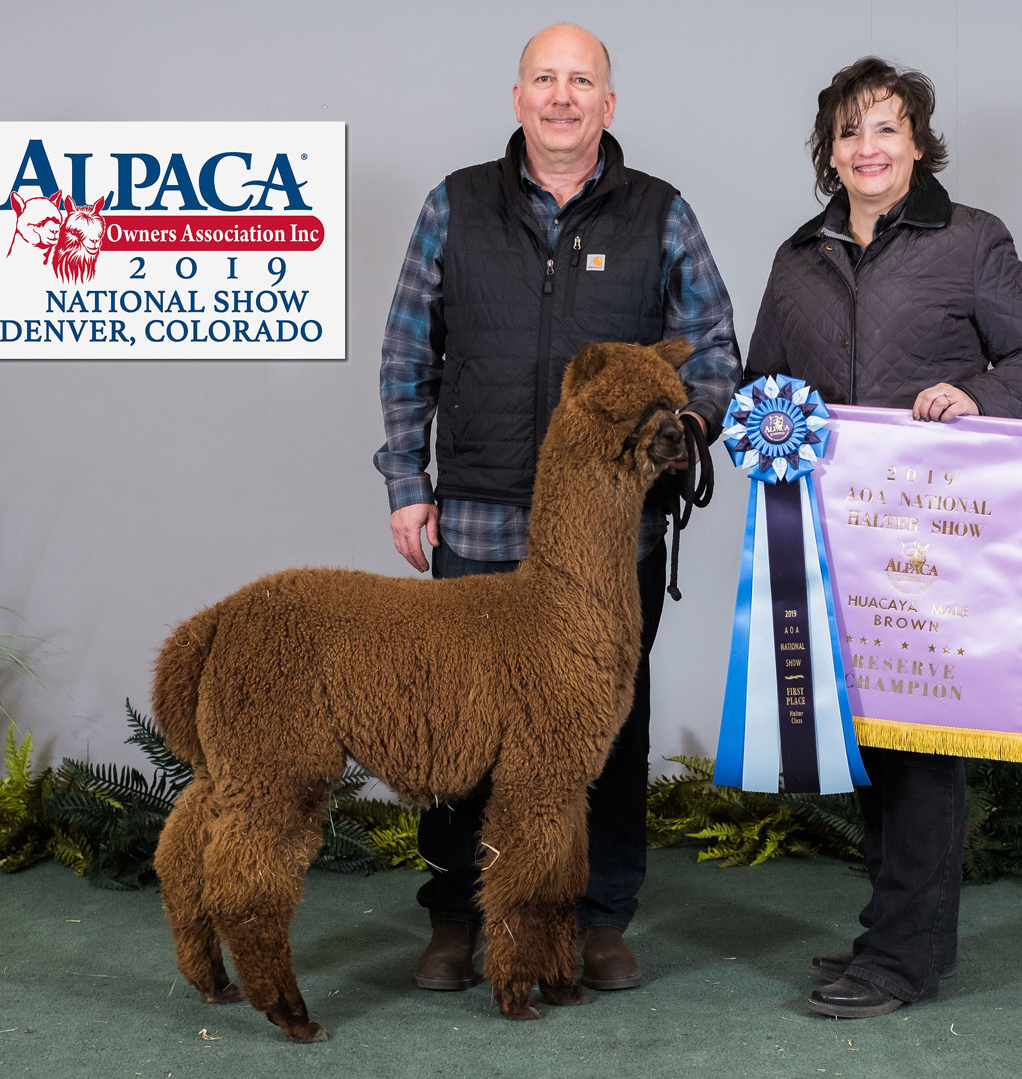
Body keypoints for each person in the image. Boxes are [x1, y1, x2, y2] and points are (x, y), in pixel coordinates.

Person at [374, 23, 740, 993]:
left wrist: (682, 433)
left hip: (614, 531)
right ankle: (458, 912)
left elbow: (711, 351)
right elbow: (408, 353)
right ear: (517, 96)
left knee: (604, 730)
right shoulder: (454, 205)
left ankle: (597, 916)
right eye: (547, 79)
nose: (564, 96)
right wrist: (409, 484)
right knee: (460, 719)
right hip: (484, 515)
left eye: (583, 81)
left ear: (609, 105)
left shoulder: (661, 214)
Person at [747, 57, 1022, 1018]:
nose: (868, 147)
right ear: (829, 153)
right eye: (849, 132)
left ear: (917, 143)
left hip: (933, 537)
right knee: (865, 740)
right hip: (830, 536)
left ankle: (902, 960)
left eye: (886, 128)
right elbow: (765, 381)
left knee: (923, 746)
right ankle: (892, 934)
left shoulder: (972, 240)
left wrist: (978, 398)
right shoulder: (796, 256)